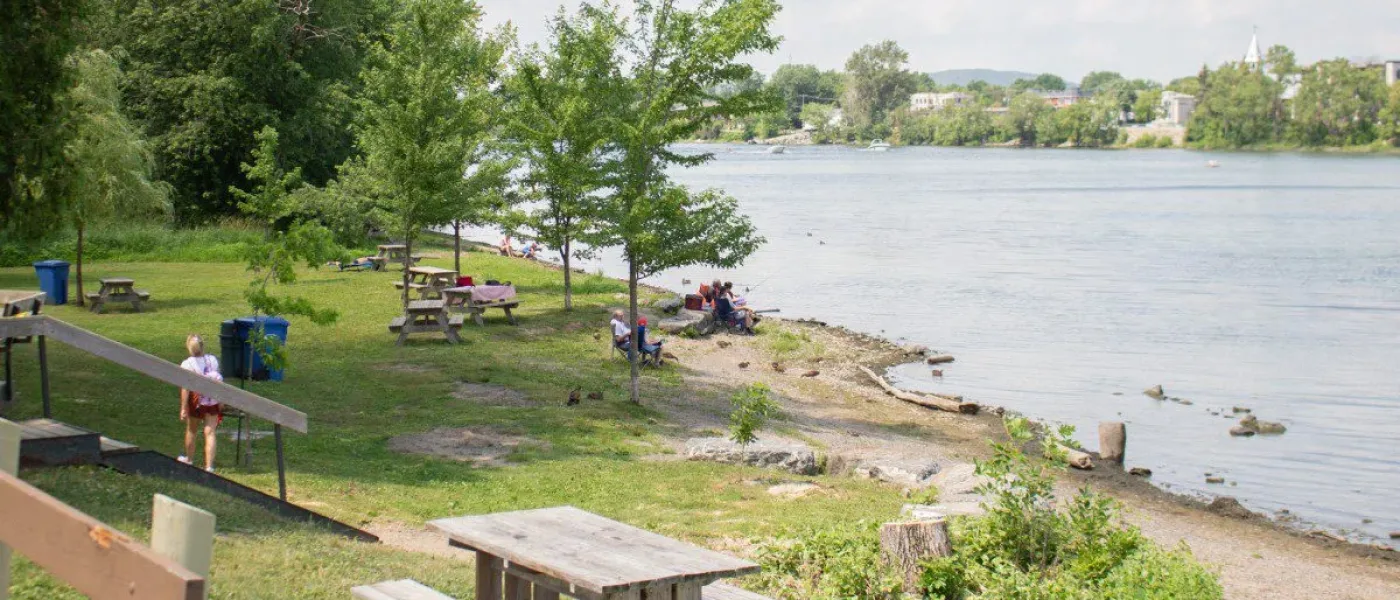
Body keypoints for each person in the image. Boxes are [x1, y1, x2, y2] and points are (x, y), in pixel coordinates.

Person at [179, 334, 223, 472]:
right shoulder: (212, 360)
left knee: (192, 430)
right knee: (210, 432)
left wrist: (183, 407)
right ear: (202, 346)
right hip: (212, 398)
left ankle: (189, 459)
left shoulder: (187, 364)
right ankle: (209, 466)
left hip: (196, 400)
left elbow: (186, 388)